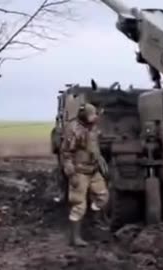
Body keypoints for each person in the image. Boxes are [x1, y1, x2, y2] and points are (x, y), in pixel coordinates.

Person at [60, 103, 109, 247]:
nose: (95, 117)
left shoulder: (92, 127)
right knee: (78, 205)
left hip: (93, 170)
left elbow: (94, 144)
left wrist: (100, 158)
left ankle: (94, 222)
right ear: (84, 116)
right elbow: (66, 153)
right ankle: (75, 238)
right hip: (79, 171)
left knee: (103, 196)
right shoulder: (73, 129)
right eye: (92, 115)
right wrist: (71, 174)